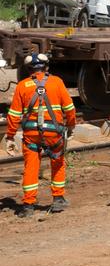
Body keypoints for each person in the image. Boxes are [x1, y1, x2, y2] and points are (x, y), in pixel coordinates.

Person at [4, 52, 76, 218]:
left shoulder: (22, 85)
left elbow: (14, 115)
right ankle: (58, 199)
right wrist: (71, 126)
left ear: (29, 70)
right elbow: (70, 109)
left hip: (31, 135)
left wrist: (9, 136)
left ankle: (28, 205)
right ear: (47, 67)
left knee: (30, 168)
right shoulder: (56, 82)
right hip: (54, 133)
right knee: (57, 163)